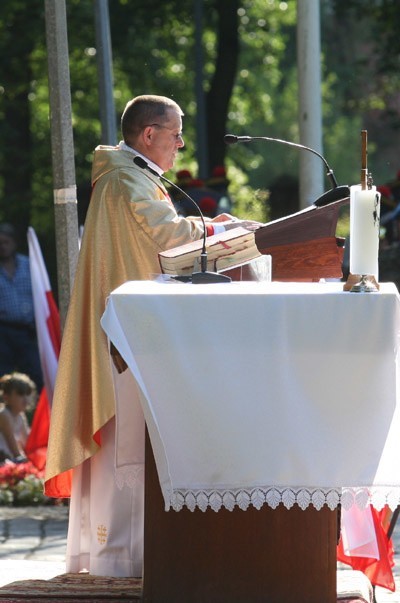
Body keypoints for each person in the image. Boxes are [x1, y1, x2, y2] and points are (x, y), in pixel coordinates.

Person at [44, 95, 258, 578]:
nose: (181, 144)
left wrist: (214, 228)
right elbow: (165, 238)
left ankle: (127, 554)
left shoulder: (133, 176)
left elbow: (164, 235)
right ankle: (119, 557)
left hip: (138, 333)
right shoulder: (123, 179)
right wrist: (222, 229)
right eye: (177, 134)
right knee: (127, 443)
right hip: (129, 342)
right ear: (149, 134)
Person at [0, 224, 43, 392]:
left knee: (36, 373)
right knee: (3, 374)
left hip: (27, 330)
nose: (3, 246)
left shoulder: (28, 265)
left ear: (14, 243)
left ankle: (37, 411)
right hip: (3, 331)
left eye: (6, 242)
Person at [0, 372, 35, 463]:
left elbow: (28, 445)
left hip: (9, 461)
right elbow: (15, 451)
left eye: (27, 393)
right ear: (6, 397)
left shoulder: (20, 416)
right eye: (20, 394)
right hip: (3, 460)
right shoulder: (4, 415)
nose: (25, 398)